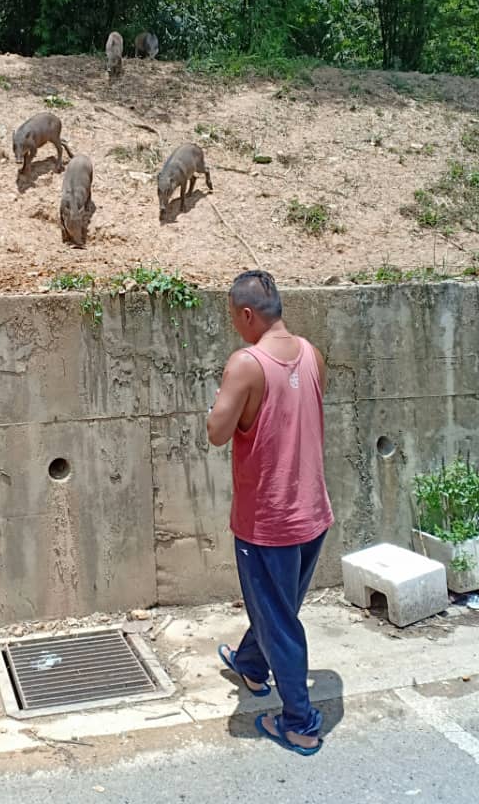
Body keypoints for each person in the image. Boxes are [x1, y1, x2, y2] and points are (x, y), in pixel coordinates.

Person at [206, 269, 333, 756]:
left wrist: (218, 407)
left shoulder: (246, 363)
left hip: (268, 522)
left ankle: (300, 721)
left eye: (234, 319)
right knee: (279, 609)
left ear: (246, 314)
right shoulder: (312, 354)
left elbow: (217, 432)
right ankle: (251, 664)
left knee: (280, 620)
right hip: (312, 514)